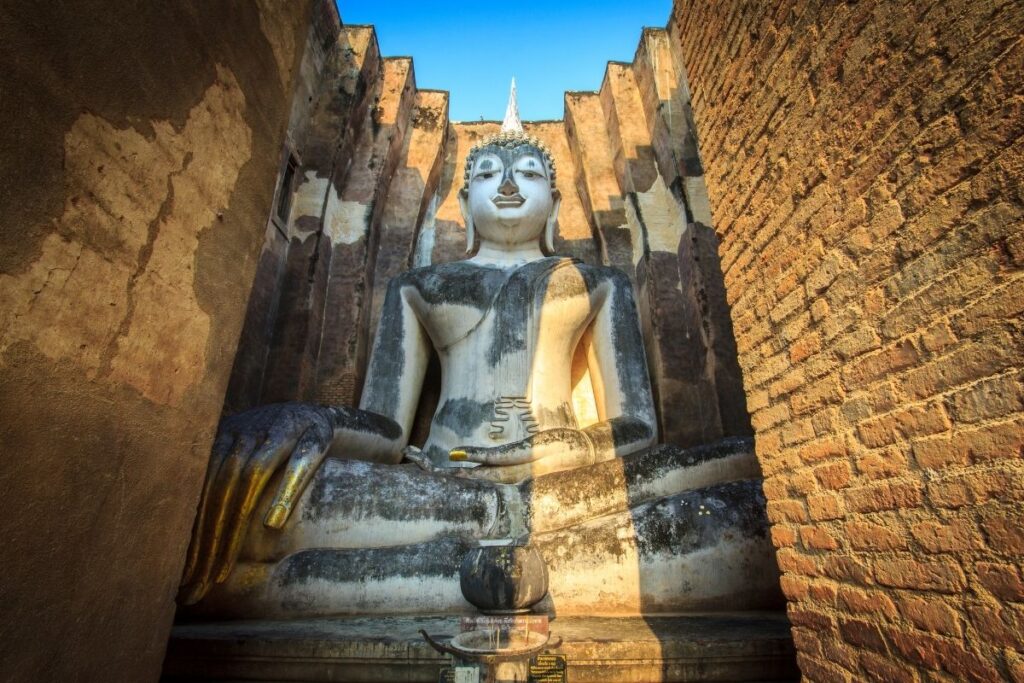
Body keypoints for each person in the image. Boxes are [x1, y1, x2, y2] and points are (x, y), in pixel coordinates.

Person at [179, 122, 780, 617]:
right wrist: (314, 421)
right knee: (242, 489)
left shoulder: (598, 284)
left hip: (568, 490)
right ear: (464, 204)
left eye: (529, 174)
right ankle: (530, 572)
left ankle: (362, 582)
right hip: (443, 488)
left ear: (555, 202)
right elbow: (387, 433)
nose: (510, 185)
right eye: (488, 174)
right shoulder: (419, 287)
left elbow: (638, 429)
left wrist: (569, 444)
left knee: (760, 496)